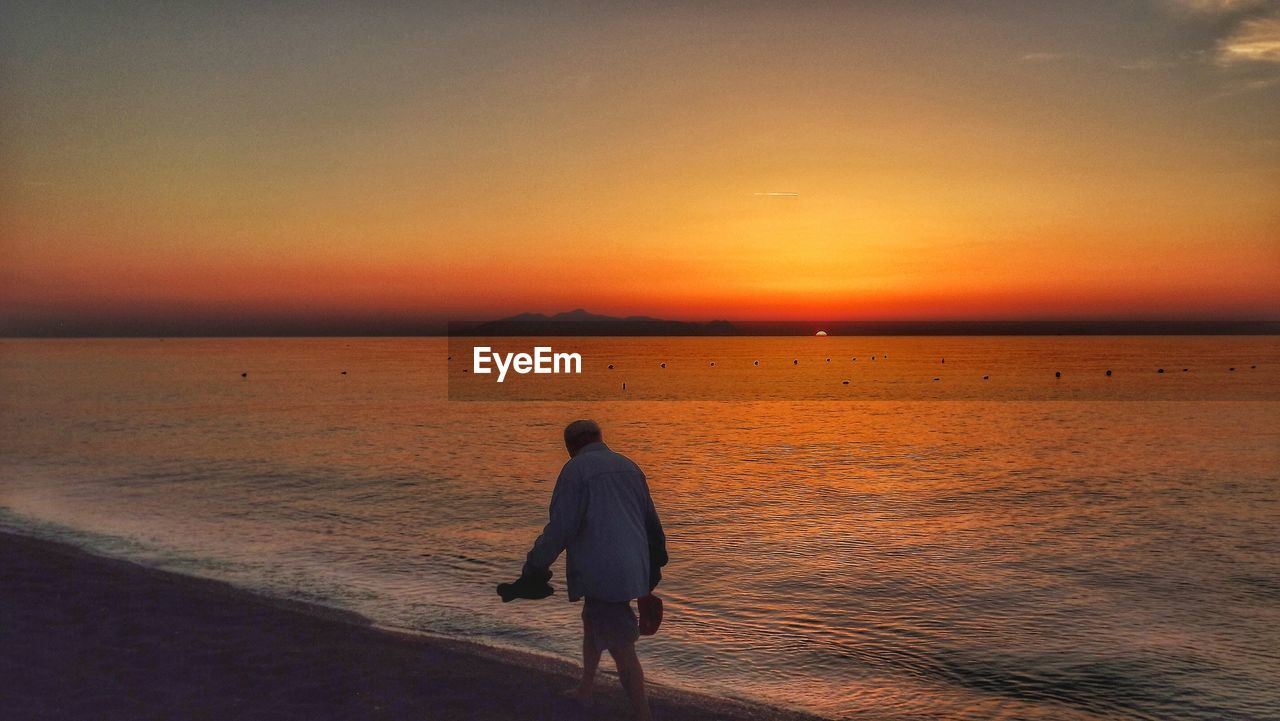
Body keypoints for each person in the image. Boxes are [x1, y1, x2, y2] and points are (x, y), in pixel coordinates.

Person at [502, 419, 667, 721]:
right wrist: (652, 572)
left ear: (570, 446)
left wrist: (535, 566)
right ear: (599, 438)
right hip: (632, 565)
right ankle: (585, 690)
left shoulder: (576, 470)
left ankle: (644, 716)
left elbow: (561, 528)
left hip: (601, 571)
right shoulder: (628, 466)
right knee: (593, 622)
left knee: (620, 645)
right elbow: (652, 526)